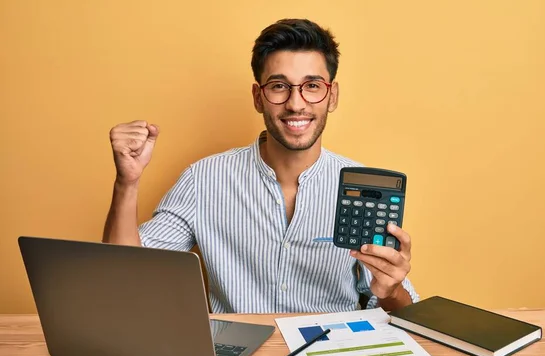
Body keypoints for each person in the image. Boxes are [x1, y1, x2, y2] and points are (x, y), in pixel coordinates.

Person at [102, 18, 419, 313]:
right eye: (279, 86)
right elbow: (125, 275)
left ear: (331, 95)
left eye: (312, 86)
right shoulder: (204, 179)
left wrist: (390, 292)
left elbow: (406, 308)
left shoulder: (362, 191)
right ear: (258, 97)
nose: (296, 104)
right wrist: (126, 183)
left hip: (331, 354)